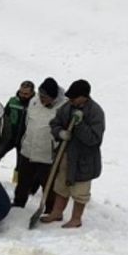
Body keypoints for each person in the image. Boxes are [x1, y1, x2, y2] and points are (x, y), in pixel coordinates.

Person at [41, 79, 105, 228]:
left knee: (80, 191)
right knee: (61, 186)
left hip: (84, 160)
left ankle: (76, 219)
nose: (71, 100)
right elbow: (54, 123)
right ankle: (56, 213)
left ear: (84, 96)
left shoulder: (96, 112)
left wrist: (79, 125)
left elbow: (94, 139)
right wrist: (60, 133)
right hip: (65, 155)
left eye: (74, 97)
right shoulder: (67, 107)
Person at [13, 77, 65, 210]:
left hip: (48, 154)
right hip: (28, 150)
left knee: (48, 184)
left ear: (53, 97)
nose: (42, 99)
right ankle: (18, 204)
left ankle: (49, 209)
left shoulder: (64, 107)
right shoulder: (34, 101)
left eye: (45, 97)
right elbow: (27, 123)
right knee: (23, 182)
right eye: (40, 95)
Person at [0, 81, 35, 176]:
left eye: (26, 94)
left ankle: (16, 183)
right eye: (21, 92)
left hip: (25, 139)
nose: (23, 95)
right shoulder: (12, 101)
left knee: (21, 165)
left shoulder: (36, 104)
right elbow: (4, 117)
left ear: (32, 93)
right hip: (9, 137)